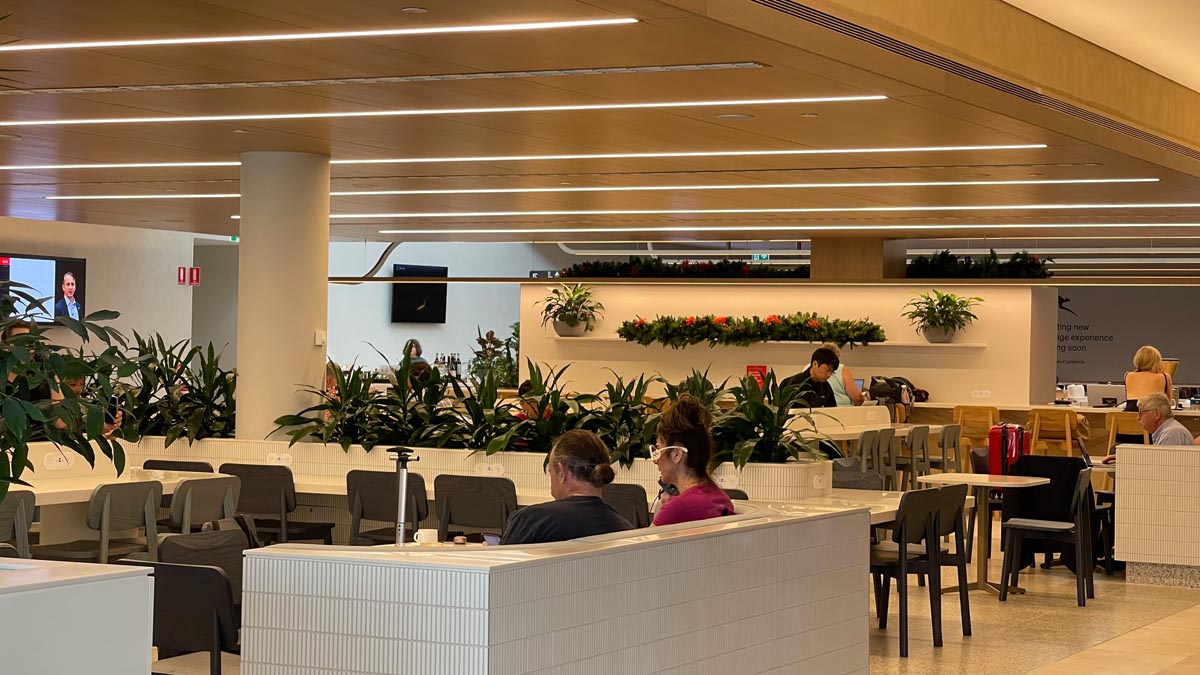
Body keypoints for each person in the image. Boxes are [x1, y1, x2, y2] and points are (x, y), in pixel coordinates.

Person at [499, 430, 633, 545]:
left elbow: (500, 572)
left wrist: (491, 555)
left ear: (562, 473)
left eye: (551, 472)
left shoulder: (530, 521)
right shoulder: (626, 532)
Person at [651, 394, 735, 526]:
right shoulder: (721, 498)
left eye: (658, 450)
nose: (655, 461)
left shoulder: (677, 508)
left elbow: (643, 546)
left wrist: (669, 510)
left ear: (677, 455)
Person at [1104, 393, 1193, 463]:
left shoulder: (1171, 434)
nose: (1138, 417)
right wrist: (1125, 458)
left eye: (1142, 413)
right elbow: (1154, 460)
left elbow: (1161, 469)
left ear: (1157, 414)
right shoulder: (1168, 430)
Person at [1124, 345, 1173, 410]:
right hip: (1154, 414)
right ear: (1157, 361)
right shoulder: (1164, 376)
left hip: (1130, 413)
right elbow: (1168, 403)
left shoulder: (1128, 375)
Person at [821, 342, 865, 406]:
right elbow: (857, 398)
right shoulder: (842, 370)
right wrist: (864, 398)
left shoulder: (811, 368)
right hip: (844, 410)